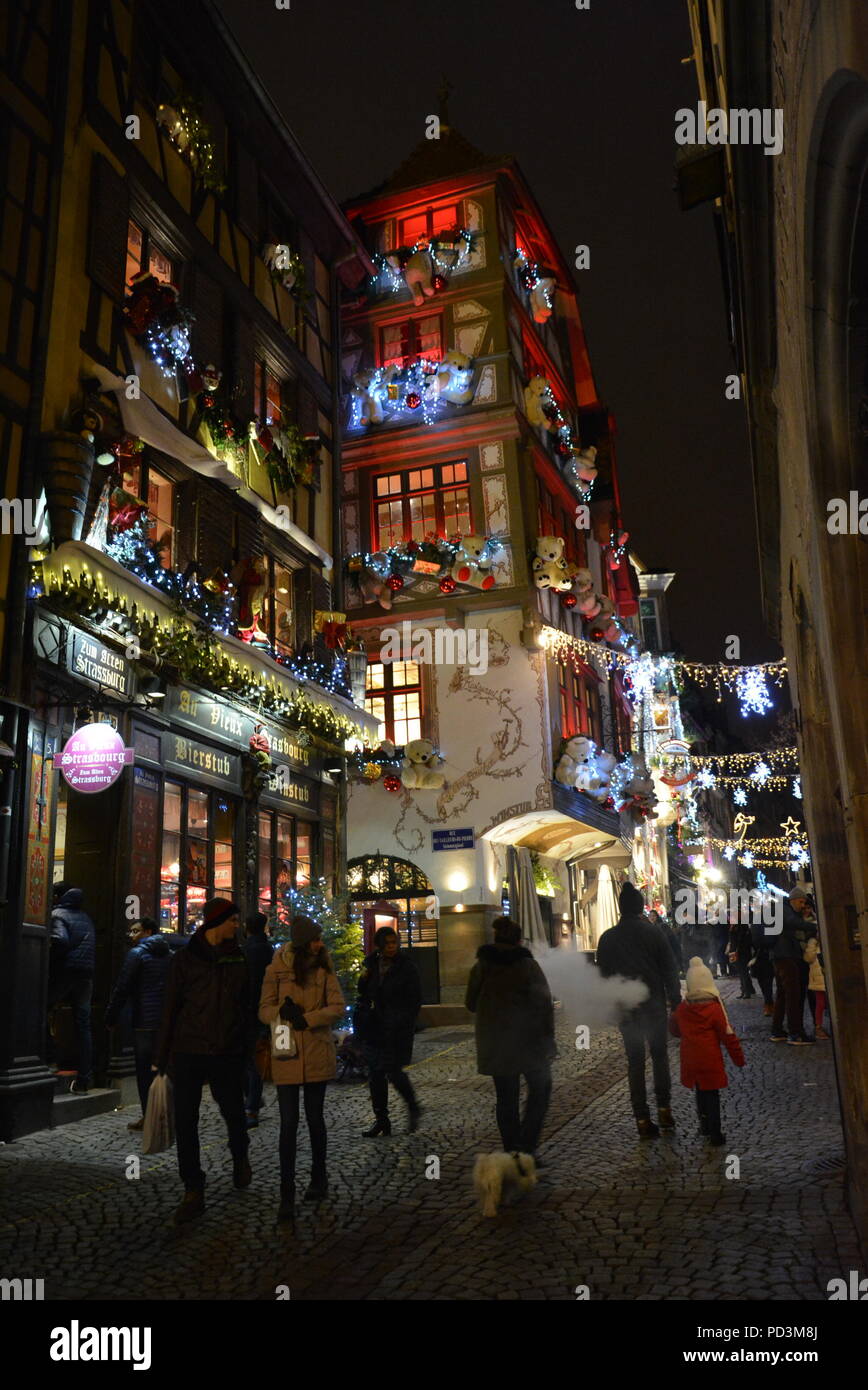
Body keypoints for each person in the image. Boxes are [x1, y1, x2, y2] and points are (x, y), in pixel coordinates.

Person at [154, 898, 251, 1225]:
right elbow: (170, 1007)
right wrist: (161, 1056)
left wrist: (244, 1043)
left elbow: (247, 1006)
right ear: (216, 922)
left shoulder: (238, 957)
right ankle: (193, 1186)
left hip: (226, 1050)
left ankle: (240, 1156)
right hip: (188, 1049)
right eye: (233, 920)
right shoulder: (184, 960)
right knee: (186, 1120)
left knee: (233, 1111)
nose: (237, 926)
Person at [258, 915, 345, 1221]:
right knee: (288, 1123)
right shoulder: (275, 969)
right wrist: (280, 1012)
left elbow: (337, 1007)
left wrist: (307, 1019)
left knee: (315, 1119)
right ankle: (286, 1193)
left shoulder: (324, 969)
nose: (320, 943)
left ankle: (318, 1178)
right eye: (315, 938)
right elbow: (263, 1009)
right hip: (288, 1051)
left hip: (317, 1050)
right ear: (303, 942)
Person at [465, 916, 555, 1159]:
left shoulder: (482, 965)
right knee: (540, 1090)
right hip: (529, 1041)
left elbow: (470, 1004)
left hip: (495, 1043)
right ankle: (526, 1146)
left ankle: (512, 1150)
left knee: (506, 1098)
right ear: (518, 940)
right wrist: (549, 1039)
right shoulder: (528, 966)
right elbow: (544, 1003)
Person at [596, 882, 681, 1138]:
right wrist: (675, 999)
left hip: (626, 1008)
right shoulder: (654, 933)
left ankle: (642, 1118)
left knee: (634, 1062)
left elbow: (602, 977)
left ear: (621, 909)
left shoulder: (608, 937)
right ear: (639, 907)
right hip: (653, 1004)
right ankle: (664, 1107)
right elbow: (670, 967)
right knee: (659, 1056)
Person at [669, 956, 745, 1146]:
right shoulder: (714, 1009)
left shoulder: (682, 1009)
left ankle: (704, 1126)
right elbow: (728, 1036)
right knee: (712, 1095)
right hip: (710, 1060)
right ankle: (715, 1133)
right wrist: (739, 1059)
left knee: (700, 1092)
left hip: (690, 1060)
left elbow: (674, 1030)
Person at [355, 925, 423, 1137]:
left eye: (395, 943)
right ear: (380, 945)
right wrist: (363, 981)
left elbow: (415, 999)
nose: (392, 947)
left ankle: (413, 1106)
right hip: (375, 1027)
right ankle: (382, 1120)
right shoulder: (371, 964)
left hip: (397, 1028)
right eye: (388, 943)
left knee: (393, 1070)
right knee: (376, 1075)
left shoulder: (406, 966)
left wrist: (403, 1020)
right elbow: (365, 992)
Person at [105, 917, 171, 1129]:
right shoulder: (171, 955)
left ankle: (149, 1117)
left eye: (136, 931)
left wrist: (111, 1017)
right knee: (162, 1069)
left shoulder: (136, 955)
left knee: (144, 1072)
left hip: (144, 1020)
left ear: (148, 932)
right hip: (165, 1021)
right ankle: (165, 1115)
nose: (131, 936)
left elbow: (122, 988)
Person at [48, 883, 97, 1094]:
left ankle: (49, 1060)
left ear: (58, 896)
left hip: (66, 972)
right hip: (86, 975)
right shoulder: (86, 918)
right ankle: (85, 1078)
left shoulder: (57, 914)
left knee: (41, 1012)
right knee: (83, 1026)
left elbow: (60, 940)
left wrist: (50, 961)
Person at [240, 912, 274, 1127]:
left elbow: (246, 983)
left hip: (249, 1011)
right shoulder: (269, 949)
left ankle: (252, 1107)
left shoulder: (247, 950)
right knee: (255, 1059)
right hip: (263, 1009)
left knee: (248, 1061)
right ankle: (253, 1100)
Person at [770, 887, 815, 1044]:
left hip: (780, 955)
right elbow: (792, 922)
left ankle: (777, 1031)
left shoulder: (783, 908)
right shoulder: (785, 909)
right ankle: (795, 1033)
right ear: (794, 900)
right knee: (792, 995)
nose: (803, 905)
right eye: (801, 901)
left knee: (783, 994)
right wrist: (814, 926)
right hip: (786, 955)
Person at [803, 936, 830, 1040]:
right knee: (820, 1003)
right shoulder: (813, 941)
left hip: (824, 976)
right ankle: (818, 1027)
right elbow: (808, 958)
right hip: (818, 978)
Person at [726, 911, 756, 1000]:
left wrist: (736, 950)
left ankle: (745, 991)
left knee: (743, 972)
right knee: (742, 972)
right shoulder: (734, 926)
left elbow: (742, 941)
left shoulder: (741, 927)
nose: (729, 919)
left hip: (741, 953)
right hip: (736, 952)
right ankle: (749, 989)